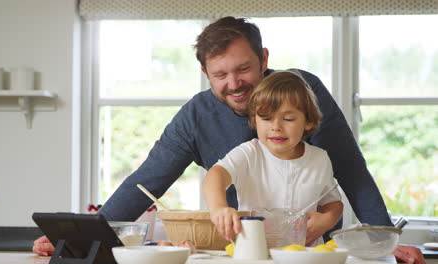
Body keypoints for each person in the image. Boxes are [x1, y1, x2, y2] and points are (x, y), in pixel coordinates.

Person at [33, 16, 425, 264]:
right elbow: (146, 181)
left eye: (243, 69)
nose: (234, 84)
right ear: (205, 73)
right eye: (220, 74)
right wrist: (82, 239)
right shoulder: (196, 115)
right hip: (236, 252)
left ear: (264, 58)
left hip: (302, 254)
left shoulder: (304, 92)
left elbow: (350, 173)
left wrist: (383, 242)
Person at [203, 70, 343, 246]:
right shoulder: (249, 153)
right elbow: (215, 175)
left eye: (288, 119)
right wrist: (219, 208)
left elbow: (333, 203)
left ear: (308, 121)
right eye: (266, 118)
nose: (276, 127)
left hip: (304, 256)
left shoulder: (319, 159)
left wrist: (327, 220)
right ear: (254, 120)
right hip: (255, 253)